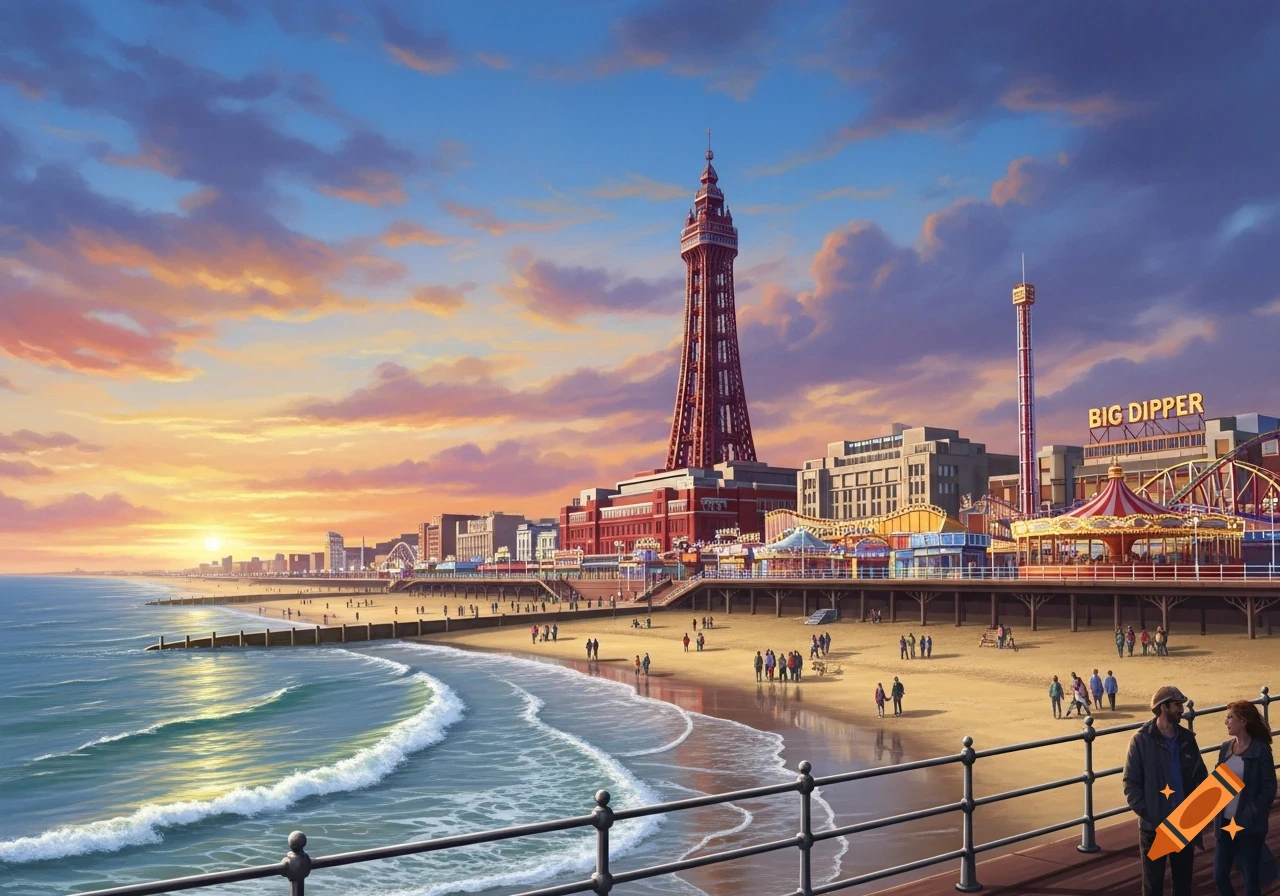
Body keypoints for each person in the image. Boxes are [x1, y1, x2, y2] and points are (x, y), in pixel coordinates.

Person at [1123, 686, 1208, 896]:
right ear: (1163, 708)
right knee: (1153, 886)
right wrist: (1148, 812)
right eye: (1178, 705)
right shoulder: (1141, 741)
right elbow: (1130, 783)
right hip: (1153, 827)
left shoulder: (1187, 739)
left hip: (1184, 823)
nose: (1182, 709)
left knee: (1183, 884)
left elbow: (1201, 776)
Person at [1213, 700, 1277, 896]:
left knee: (1251, 880)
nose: (1226, 722)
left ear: (1243, 721)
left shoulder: (1261, 750)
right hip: (1224, 824)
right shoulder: (1225, 749)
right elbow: (1217, 783)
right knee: (1219, 876)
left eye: (1230, 717)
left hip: (1248, 826)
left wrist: (1252, 811)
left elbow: (1269, 787)